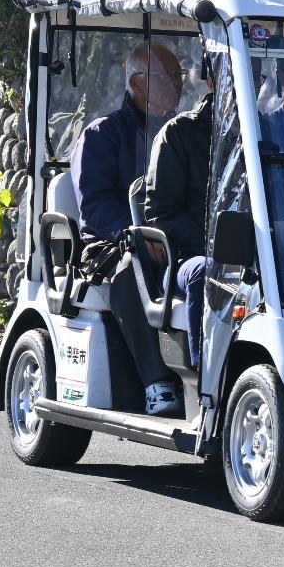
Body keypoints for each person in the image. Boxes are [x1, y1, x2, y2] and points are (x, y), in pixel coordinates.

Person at [68, 42, 183, 415]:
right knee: (131, 271)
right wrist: (135, 232)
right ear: (137, 82)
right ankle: (157, 381)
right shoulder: (103, 135)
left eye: (180, 75)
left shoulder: (187, 133)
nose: (178, 84)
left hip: (173, 235)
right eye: (168, 77)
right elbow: (96, 206)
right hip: (111, 244)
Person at [138, 62, 216, 373]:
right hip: (186, 258)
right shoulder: (179, 132)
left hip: (253, 255)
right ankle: (207, 383)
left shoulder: (263, 134)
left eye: (254, 76)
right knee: (205, 272)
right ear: (210, 79)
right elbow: (159, 212)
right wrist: (216, 246)